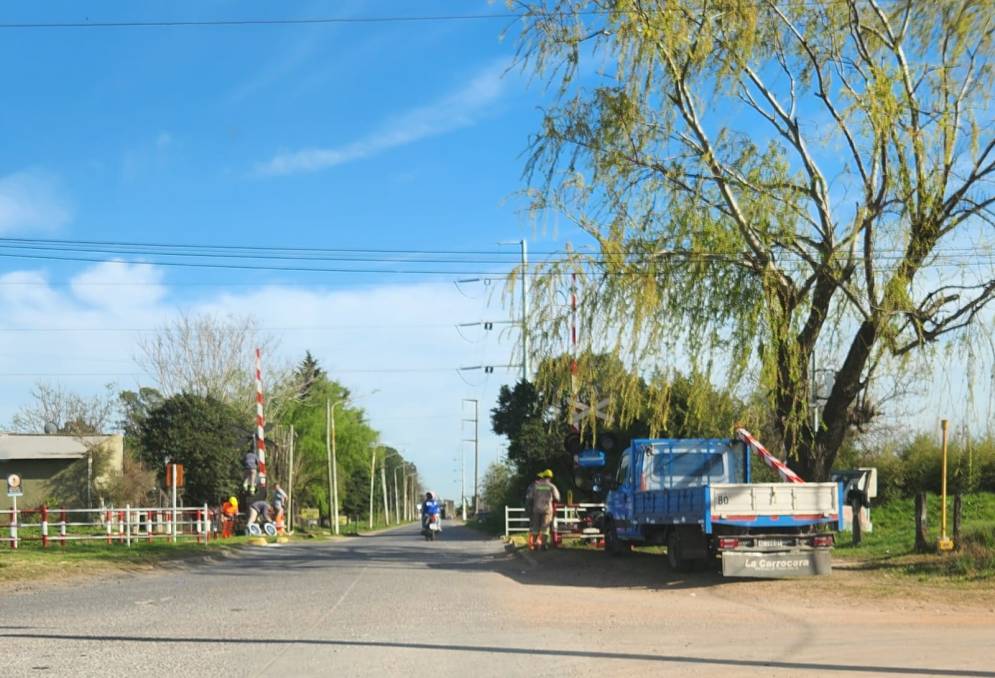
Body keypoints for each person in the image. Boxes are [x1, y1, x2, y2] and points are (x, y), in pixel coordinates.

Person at [525, 469, 561, 551]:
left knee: (535, 528)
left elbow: (529, 497)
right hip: (547, 510)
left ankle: (534, 545)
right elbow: (557, 498)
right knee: (545, 529)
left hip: (536, 510)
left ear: (543, 476)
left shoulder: (535, 486)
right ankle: (543, 545)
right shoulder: (551, 486)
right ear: (550, 477)